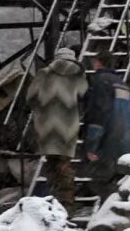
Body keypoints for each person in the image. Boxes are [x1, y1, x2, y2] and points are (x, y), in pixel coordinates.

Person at [26, 48, 87, 212]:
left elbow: (30, 97)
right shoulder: (78, 75)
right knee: (64, 164)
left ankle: (53, 198)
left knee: (51, 163)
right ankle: (66, 203)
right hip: (68, 126)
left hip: (45, 126)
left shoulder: (43, 74)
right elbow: (83, 95)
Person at [83, 54, 130, 196]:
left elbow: (99, 112)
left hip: (106, 141)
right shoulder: (123, 84)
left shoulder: (101, 82)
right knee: (119, 180)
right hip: (124, 140)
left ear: (98, 63)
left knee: (100, 182)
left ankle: (109, 214)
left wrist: (92, 144)